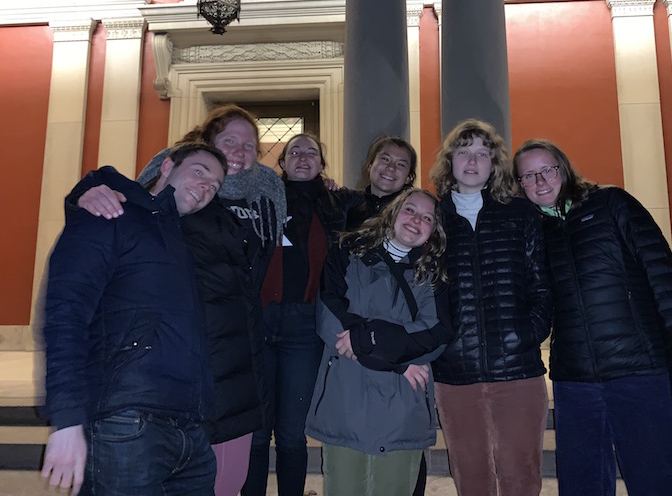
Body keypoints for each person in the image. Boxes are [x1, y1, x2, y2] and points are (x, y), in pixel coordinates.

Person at [75, 105, 286, 496]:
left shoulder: (253, 212)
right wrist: (88, 191)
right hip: (182, 382)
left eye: (250, 147)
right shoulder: (174, 205)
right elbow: (127, 211)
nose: (240, 152)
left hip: (236, 376)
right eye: (229, 143)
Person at [513, 138, 672, 496]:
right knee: (583, 484)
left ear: (564, 169)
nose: (540, 182)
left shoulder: (612, 203)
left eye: (547, 171)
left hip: (639, 370)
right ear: (519, 185)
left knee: (660, 479)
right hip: (575, 379)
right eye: (528, 176)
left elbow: (665, 283)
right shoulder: (534, 233)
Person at [41, 143, 227, 496]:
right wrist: (66, 418)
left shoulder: (181, 243)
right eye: (200, 172)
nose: (206, 188)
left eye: (215, 186)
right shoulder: (110, 211)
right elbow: (65, 312)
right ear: (168, 166)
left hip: (189, 432)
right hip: (124, 425)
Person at [429, 119, 552, 496]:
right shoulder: (432, 218)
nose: (472, 160)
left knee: (522, 474)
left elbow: (542, 287)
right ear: (450, 161)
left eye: (482, 152)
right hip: (455, 372)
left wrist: (525, 335)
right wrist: (441, 345)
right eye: (463, 151)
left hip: (517, 370)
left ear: (494, 162)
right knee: (470, 476)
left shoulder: (520, 214)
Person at [306, 188, 452, 496]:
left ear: (433, 231)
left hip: (403, 404)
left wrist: (362, 340)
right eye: (410, 210)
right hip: (346, 395)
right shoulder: (347, 250)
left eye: (427, 218)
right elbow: (329, 314)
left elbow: (435, 335)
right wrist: (398, 363)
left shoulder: (434, 272)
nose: (416, 220)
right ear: (393, 212)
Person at [243, 133, 361, 496]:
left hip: (304, 325)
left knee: (292, 433)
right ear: (283, 162)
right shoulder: (260, 198)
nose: (304, 157)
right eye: (295, 151)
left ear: (323, 165)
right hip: (258, 321)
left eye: (312, 152)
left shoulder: (337, 203)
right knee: (257, 431)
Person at [346, 135, 418, 231]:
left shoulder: (413, 215)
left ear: (409, 178)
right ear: (370, 166)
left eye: (401, 164)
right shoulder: (346, 201)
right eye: (385, 159)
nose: (391, 167)